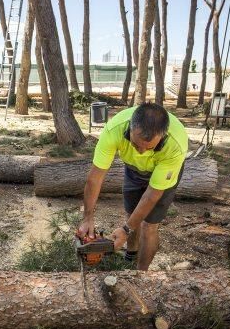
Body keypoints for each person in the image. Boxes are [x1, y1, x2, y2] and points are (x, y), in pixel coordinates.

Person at [77, 103, 188, 271]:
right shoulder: (114, 130)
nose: (142, 152)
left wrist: (125, 229)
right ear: (130, 128)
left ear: (162, 136)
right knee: (131, 213)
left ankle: (140, 274)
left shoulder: (175, 145)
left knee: (148, 226)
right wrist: (87, 217)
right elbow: (95, 178)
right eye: (136, 145)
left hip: (163, 173)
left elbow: (152, 195)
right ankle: (130, 257)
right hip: (133, 168)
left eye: (150, 147)